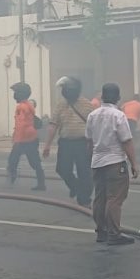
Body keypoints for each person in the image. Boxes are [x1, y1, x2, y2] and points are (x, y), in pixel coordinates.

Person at [86, 83, 140, 245]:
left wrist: (91, 160)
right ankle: (114, 234)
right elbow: (127, 141)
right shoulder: (118, 115)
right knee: (114, 199)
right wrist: (134, 164)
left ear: (102, 97)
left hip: (97, 162)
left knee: (99, 198)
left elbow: (89, 142)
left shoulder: (92, 115)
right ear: (118, 98)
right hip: (115, 162)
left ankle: (101, 232)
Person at [42, 76, 94, 206]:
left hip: (83, 143)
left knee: (85, 172)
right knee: (62, 169)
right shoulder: (61, 105)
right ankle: (75, 186)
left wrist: (94, 144)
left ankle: (84, 199)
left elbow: (94, 126)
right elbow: (53, 125)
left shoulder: (87, 105)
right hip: (65, 143)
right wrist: (47, 145)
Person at [8, 82, 46, 190]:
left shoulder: (21, 107)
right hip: (31, 137)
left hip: (24, 138)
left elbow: (21, 124)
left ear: (20, 94)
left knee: (13, 160)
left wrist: (17, 139)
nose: (14, 95)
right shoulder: (28, 105)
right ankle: (41, 183)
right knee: (35, 162)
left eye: (15, 92)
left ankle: (12, 177)